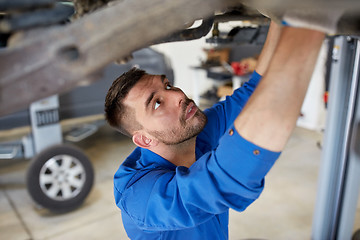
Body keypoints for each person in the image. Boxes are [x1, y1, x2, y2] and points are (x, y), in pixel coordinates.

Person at [104, 11, 339, 239]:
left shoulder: (192, 132)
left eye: (167, 86)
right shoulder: (139, 196)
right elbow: (223, 180)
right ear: (144, 139)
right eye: (156, 104)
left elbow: (252, 92)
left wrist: (282, 12)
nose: (178, 95)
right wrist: (310, 15)